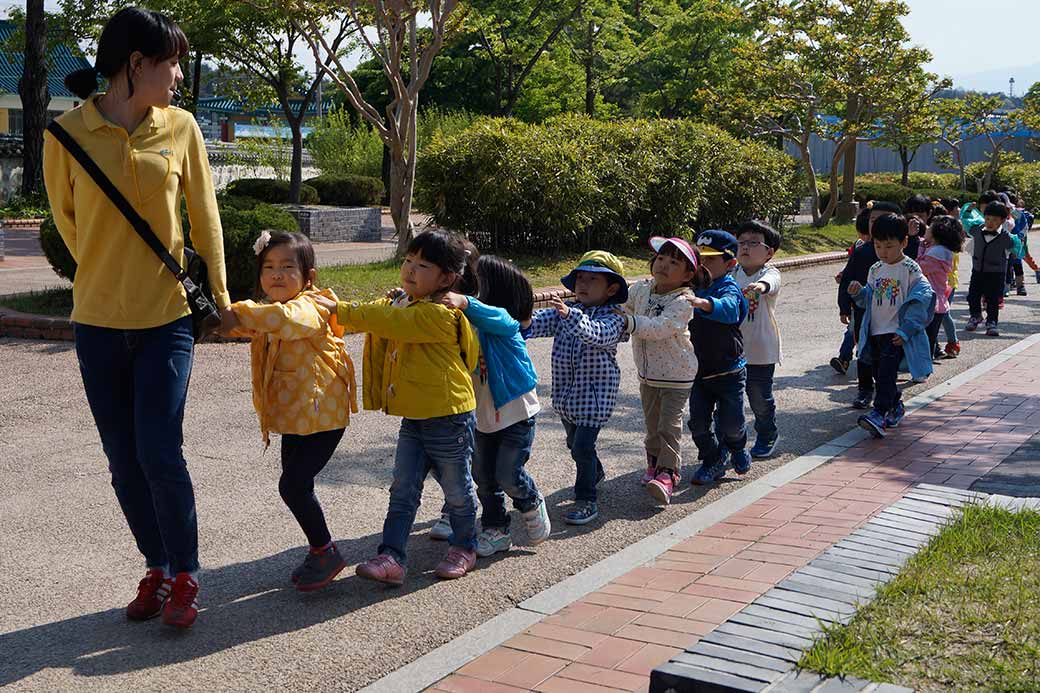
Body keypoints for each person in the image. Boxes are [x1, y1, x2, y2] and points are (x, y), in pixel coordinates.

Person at [43, 7, 228, 629]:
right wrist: (105, 273)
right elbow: (69, 229)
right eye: (171, 62)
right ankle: (156, 564)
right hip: (95, 322)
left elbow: (204, 217)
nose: (177, 74)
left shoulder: (181, 128)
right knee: (122, 458)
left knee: (159, 447)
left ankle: (186, 572)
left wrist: (221, 299)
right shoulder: (66, 134)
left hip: (165, 319)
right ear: (136, 64)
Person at [317, 231, 482, 585]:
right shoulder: (405, 302)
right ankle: (391, 556)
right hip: (415, 417)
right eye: (408, 260)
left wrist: (340, 310)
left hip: (449, 417)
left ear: (447, 278)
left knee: (457, 489)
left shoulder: (441, 315)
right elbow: (385, 313)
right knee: (403, 488)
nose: (410, 269)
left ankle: (465, 546)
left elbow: (391, 323)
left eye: (422, 265)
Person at [220, 232, 357, 591]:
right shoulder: (271, 313)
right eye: (268, 267)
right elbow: (248, 324)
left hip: (323, 418)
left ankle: (325, 551)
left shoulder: (310, 306)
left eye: (286, 267)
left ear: (308, 276)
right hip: (296, 419)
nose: (276, 274)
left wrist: (237, 311)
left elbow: (286, 320)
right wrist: (217, 315)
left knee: (292, 485)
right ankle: (319, 550)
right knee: (297, 485)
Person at [438, 256, 551, 556]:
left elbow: (498, 318)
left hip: (517, 414)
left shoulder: (505, 325)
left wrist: (466, 303)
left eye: (476, 284)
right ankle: (496, 529)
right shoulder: (468, 323)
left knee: (508, 474)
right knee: (483, 478)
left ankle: (530, 502)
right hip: (482, 416)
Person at [522, 251, 629, 525]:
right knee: (574, 443)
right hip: (568, 398)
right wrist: (522, 322)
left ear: (612, 288)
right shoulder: (569, 310)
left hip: (595, 397)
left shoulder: (614, 316)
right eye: (580, 278)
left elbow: (596, 333)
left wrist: (569, 314)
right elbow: (538, 324)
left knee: (582, 447)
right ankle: (594, 471)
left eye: (593, 279)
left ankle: (586, 499)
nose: (582, 284)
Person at [618, 237, 708, 505]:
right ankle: (654, 463)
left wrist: (628, 322)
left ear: (688, 274)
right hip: (647, 373)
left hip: (677, 375)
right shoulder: (641, 289)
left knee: (668, 426)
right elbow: (625, 308)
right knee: (652, 425)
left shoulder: (684, 301)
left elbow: (659, 327)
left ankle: (668, 474)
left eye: (674, 262)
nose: (664, 265)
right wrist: (614, 317)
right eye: (661, 258)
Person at [848, 214, 935, 439]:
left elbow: (921, 299)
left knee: (886, 373)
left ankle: (879, 413)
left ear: (904, 243)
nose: (883, 251)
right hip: (875, 330)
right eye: (878, 246)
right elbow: (869, 297)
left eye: (889, 246)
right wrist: (859, 293)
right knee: (879, 373)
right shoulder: (876, 269)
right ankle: (895, 406)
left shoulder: (910, 268)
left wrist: (906, 329)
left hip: (895, 333)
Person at [685, 230, 750, 485]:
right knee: (698, 423)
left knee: (732, 424)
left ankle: (736, 446)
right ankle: (712, 460)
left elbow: (731, 310)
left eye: (711, 260)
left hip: (729, 371)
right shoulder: (692, 284)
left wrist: (704, 304)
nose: (704, 265)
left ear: (730, 263)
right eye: (700, 259)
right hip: (698, 371)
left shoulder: (729, 287)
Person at [838, 201, 901, 409]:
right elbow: (848, 277)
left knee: (885, 360)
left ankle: (888, 398)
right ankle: (865, 389)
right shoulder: (863, 250)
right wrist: (844, 305)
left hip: (891, 317)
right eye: (874, 220)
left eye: (884, 219)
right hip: (864, 312)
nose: (877, 224)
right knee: (864, 352)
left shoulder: (905, 259)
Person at [734, 221, 783, 459]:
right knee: (729, 399)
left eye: (754, 243)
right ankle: (730, 442)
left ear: (769, 252)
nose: (745, 247)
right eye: (741, 242)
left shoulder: (769, 273)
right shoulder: (731, 273)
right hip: (731, 350)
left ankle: (767, 433)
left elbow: (771, 284)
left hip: (761, 351)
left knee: (759, 397)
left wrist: (760, 287)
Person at [830, 208, 872, 375]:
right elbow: (850, 271)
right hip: (858, 299)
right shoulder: (860, 247)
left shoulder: (887, 249)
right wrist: (844, 307)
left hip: (879, 300)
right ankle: (844, 359)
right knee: (853, 329)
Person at [917, 216, 964, 361]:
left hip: (931, 302)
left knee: (927, 336)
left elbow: (918, 268)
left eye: (930, 227)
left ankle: (924, 365)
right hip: (937, 300)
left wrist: (920, 248)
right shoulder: (940, 251)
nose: (927, 228)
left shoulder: (935, 254)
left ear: (937, 233)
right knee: (930, 335)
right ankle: (926, 362)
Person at [965, 201, 1014, 337]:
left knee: (992, 299)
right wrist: (968, 210)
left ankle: (992, 322)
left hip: (996, 273)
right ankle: (975, 316)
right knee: (972, 296)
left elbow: (1015, 247)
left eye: (994, 220)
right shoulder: (977, 230)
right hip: (977, 270)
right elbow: (966, 221)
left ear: (1002, 221)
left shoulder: (1006, 237)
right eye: (987, 219)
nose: (990, 222)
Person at [936, 199, 963, 358]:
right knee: (940, 314)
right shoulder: (945, 246)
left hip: (946, 284)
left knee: (943, 313)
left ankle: (953, 342)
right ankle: (939, 344)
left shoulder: (945, 249)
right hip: (945, 283)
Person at [904, 194, 931, 260]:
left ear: (929, 214)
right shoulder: (901, 233)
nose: (915, 220)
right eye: (911, 216)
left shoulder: (933, 235)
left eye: (920, 216)